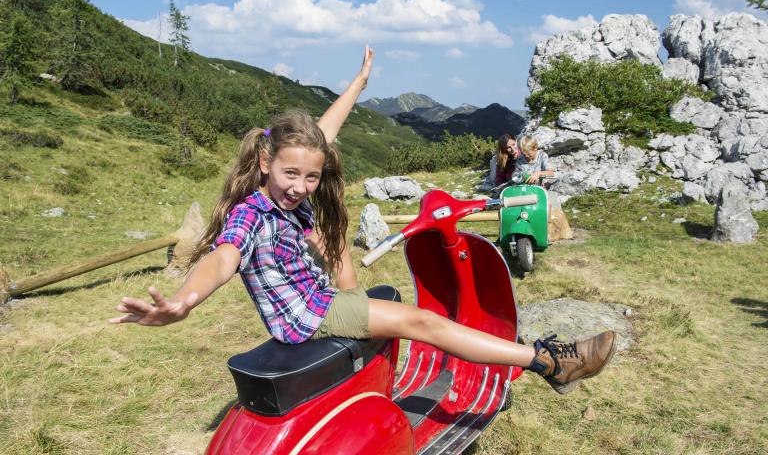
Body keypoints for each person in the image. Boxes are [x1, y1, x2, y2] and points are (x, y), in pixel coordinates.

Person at [109, 46, 615, 395]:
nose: (300, 187)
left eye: (311, 178)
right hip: (306, 318)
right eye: (289, 174)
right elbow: (223, 259)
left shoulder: (294, 173)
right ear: (265, 164)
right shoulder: (251, 214)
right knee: (422, 321)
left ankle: (377, 380)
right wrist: (184, 301)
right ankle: (549, 361)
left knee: (362, 270)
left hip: (320, 296)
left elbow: (323, 132)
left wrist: (361, 81)